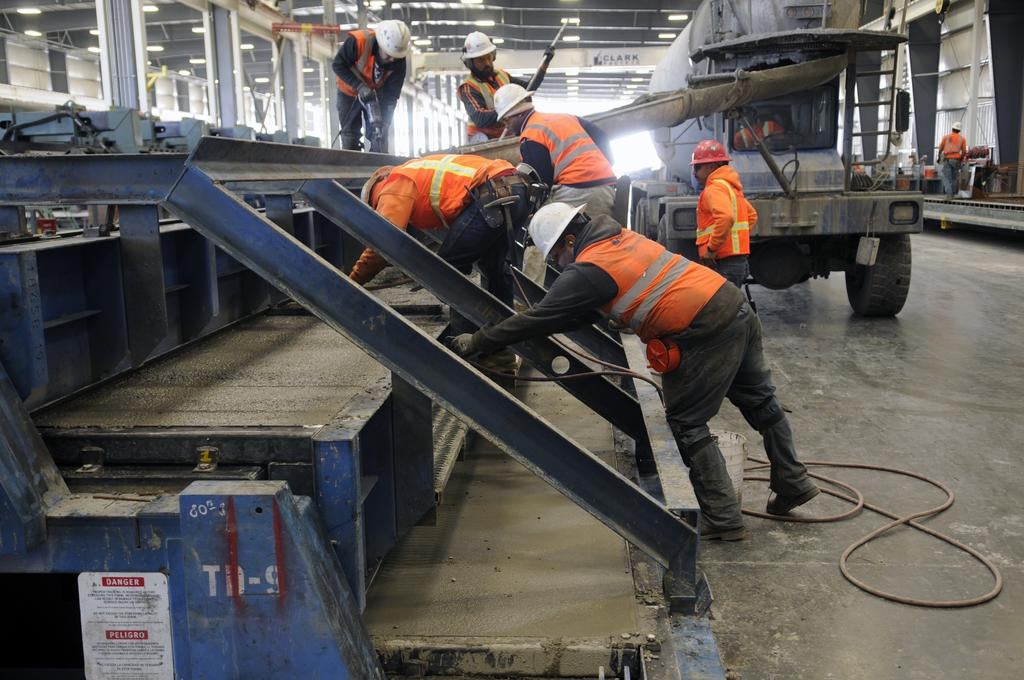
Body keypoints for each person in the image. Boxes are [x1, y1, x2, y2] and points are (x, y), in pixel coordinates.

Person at [447, 202, 820, 540]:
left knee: (687, 423)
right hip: (733, 306)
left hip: (705, 329)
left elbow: (538, 319)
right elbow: (595, 306)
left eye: (558, 255)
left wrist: (477, 341)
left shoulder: (589, 268)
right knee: (762, 404)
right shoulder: (620, 237)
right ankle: (793, 482)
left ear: (571, 240)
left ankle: (723, 518)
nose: (559, 264)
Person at [349, 154, 545, 308]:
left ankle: (469, 331)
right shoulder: (416, 171)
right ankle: (502, 336)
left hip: (494, 194)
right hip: (517, 190)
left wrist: (353, 281)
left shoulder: (393, 184)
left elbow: (383, 243)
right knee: (495, 268)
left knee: (444, 272)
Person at [494, 83, 616, 218]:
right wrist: (603, 168)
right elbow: (602, 136)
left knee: (540, 222)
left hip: (578, 191)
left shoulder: (531, 134)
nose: (506, 127)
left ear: (519, 113)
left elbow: (541, 184)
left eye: (506, 120)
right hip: (607, 188)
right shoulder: (564, 117)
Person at [331, 20, 411, 151]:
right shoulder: (359, 42)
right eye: (389, 55)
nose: (392, 59)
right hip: (348, 93)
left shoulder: (398, 60)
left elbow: (392, 96)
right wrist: (359, 86)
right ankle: (351, 161)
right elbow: (338, 65)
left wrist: (385, 122)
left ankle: (378, 161)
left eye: (395, 56)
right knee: (350, 137)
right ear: (380, 44)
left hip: (375, 95)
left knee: (379, 138)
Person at [457, 32, 550, 143]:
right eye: (481, 60)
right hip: (482, 143)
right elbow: (480, 118)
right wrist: (509, 108)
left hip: (505, 137)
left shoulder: (502, 75)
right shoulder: (468, 87)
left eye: (489, 57)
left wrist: (544, 64)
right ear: (470, 63)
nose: (487, 63)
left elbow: (527, 89)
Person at [691, 140, 756, 289]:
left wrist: (711, 249)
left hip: (723, 263)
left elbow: (726, 217)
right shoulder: (730, 188)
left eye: (697, 167)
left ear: (711, 166)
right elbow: (752, 216)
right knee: (731, 302)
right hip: (737, 262)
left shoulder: (714, 189)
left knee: (720, 304)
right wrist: (734, 240)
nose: (694, 173)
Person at [937, 121, 967, 199]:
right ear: (959, 130)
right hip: (957, 160)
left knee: (946, 177)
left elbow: (940, 149)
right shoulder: (962, 139)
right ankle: (953, 194)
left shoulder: (946, 137)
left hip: (947, 159)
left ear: (952, 128)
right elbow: (964, 151)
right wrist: (961, 159)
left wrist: (939, 157)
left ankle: (949, 194)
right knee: (954, 178)